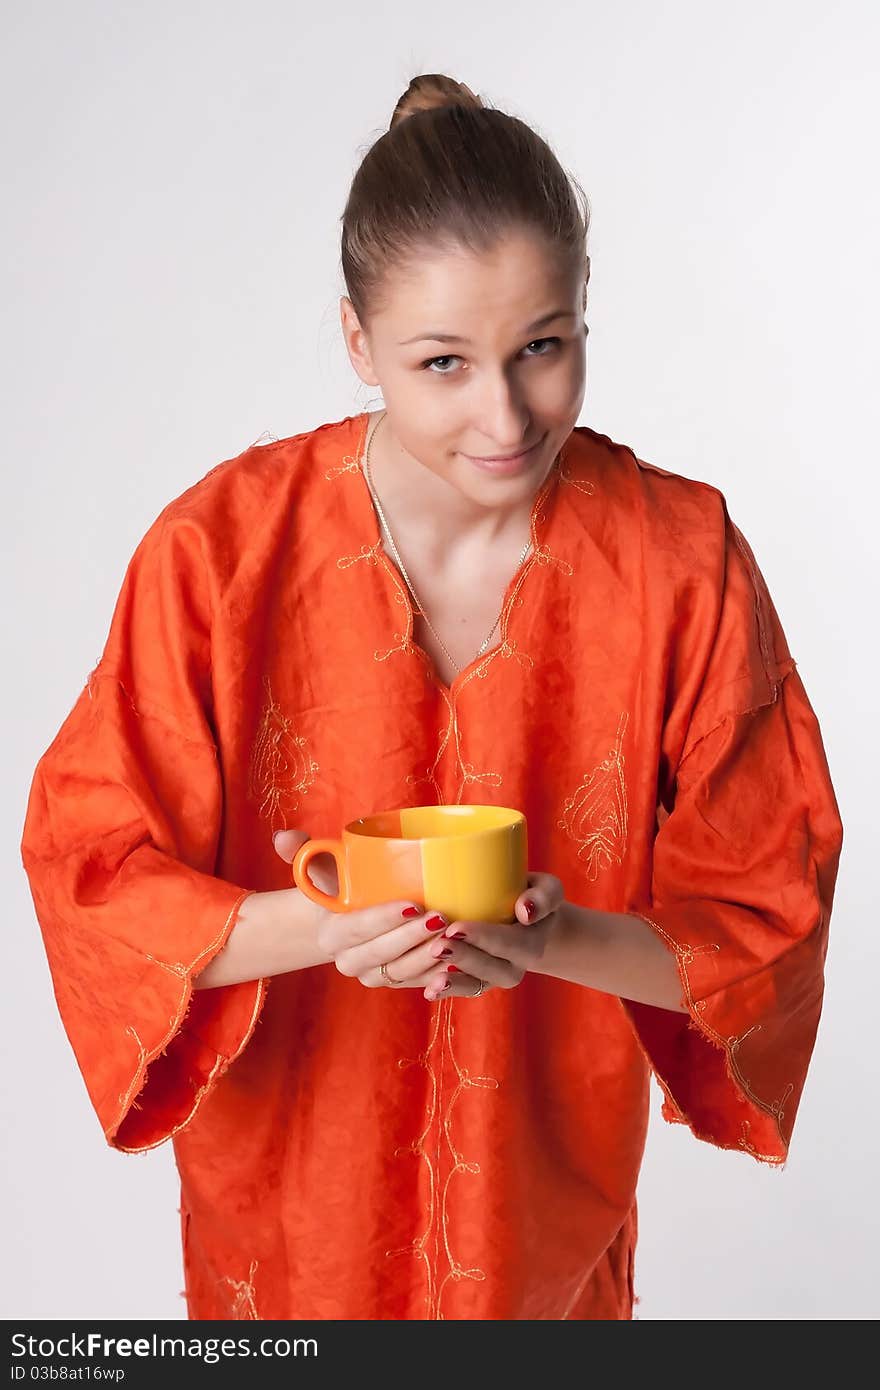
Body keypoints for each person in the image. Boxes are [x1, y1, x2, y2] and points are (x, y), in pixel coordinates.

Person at [20, 73, 843, 1322]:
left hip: (542, 1216)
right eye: (442, 362)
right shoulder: (222, 552)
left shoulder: (681, 558)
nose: (504, 415)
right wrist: (329, 927)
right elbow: (88, 868)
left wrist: (546, 941)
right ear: (357, 341)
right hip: (288, 1215)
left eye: (543, 349)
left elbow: (764, 921)